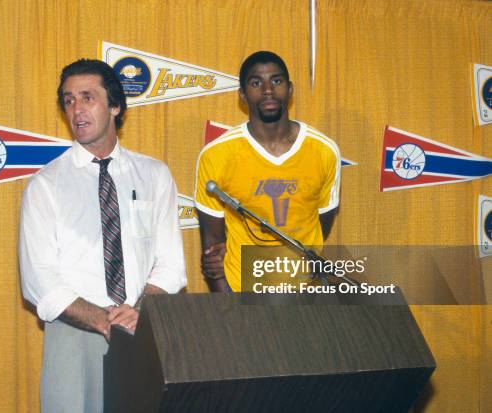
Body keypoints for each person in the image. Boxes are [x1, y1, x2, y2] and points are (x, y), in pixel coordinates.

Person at [19, 58, 187, 413]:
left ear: (115, 106)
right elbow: (39, 282)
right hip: (74, 334)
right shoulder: (46, 185)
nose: (76, 109)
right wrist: (102, 319)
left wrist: (136, 313)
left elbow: (171, 265)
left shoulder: (154, 175)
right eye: (68, 100)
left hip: (143, 330)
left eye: (87, 97)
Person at [194, 51, 340, 292]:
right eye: (255, 83)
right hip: (242, 290)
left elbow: (321, 224)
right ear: (242, 94)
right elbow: (212, 245)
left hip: (306, 290)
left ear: (290, 89)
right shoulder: (217, 154)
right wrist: (229, 307)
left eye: (276, 81)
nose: (268, 90)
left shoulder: (324, 150)